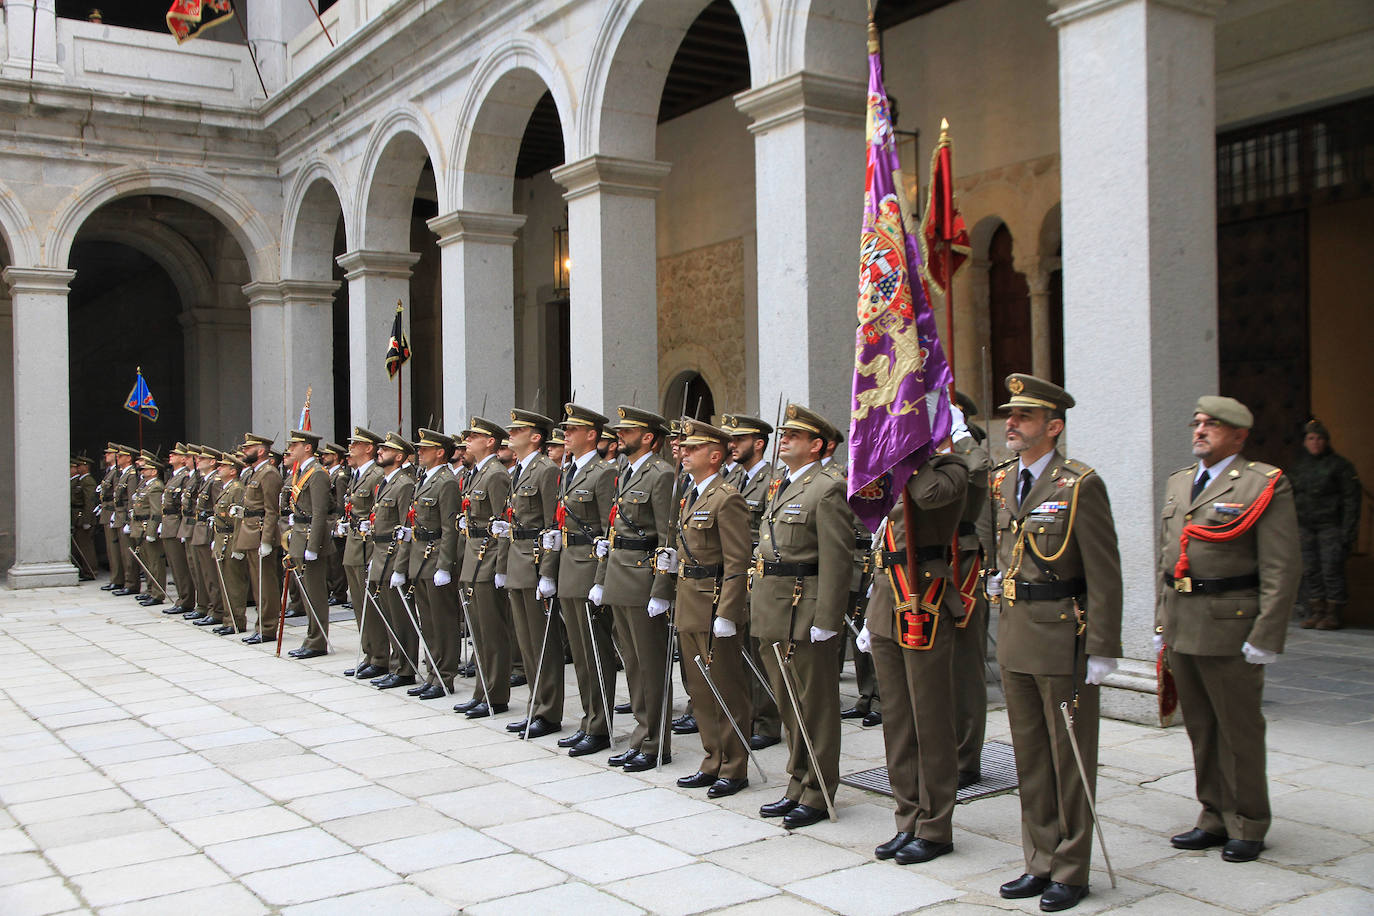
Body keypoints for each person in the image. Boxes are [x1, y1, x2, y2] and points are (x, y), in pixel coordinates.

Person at [987, 374, 1122, 912]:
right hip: (1017, 634)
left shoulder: (1079, 484)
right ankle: (1039, 858)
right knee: (1030, 755)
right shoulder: (1001, 482)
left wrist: (1105, 648)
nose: (1011, 424)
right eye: (1010, 416)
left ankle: (1071, 867)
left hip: (1063, 635)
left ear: (1054, 426)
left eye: (1023, 417)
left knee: (1068, 757)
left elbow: (1104, 573)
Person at [1156, 395, 1300, 865]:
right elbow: (1166, 559)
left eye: (1212, 425)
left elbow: (1282, 566)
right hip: (1184, 621)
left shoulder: (1263, 484)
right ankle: (1214, 815)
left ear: (1239, 435)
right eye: (1197, 423)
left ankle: (1249, 822)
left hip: (1230, 624)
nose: (1200, 431)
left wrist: (1266, 634)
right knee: (1201, 727)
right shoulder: (1180, 482)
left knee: (1238, 728)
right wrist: (1162, 620)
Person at [752, 404, 852, 829]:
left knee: (815, 705)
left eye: (795, 434)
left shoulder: (828, 487)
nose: (785, 438)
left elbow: (837, 558)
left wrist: (828, 618)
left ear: (817, 445)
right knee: (790, 704)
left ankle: (818, 789)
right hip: (774, 607)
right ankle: (797, 781)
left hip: (804, 606)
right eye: (784, 432)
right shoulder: (783, 485)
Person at [671, 419, 754, 798]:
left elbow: (738, 563)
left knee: (726, 688)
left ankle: (734, 767)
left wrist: (728, 613)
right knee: (701, 690)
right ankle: (712, 759)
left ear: (715, 455)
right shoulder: (691, 494)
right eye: (684, 448)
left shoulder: (726, 497)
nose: (684, 453)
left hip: (713, 604)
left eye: (693, 448)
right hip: (689, 601)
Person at [595, 406, 676, 771]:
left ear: (648, 437)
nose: (619, 435)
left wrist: (661, 589)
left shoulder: (661, 474)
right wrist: (601, 578)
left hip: (643, 578)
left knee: (651, 664)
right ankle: (641, 735)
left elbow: (666, 536)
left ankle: (656, 742)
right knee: (632, 663)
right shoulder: (625, 472)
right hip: (620, 575)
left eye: (627, 430)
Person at [550, 403, 617, 757]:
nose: (566, 435)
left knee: (596, 651)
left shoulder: (603, 473)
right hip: (568, 564)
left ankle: (602, 724)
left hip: (589, 565)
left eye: (572, 429)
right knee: (578, 650)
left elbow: (611, 528)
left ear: (591, 434)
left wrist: (602, 578)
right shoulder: (569, 470)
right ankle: (589, 718)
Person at [498, 409, 565, 739]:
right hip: (517, 560)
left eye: (517, 429)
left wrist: (548, 572)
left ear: (535, 436)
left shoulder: (546, 470)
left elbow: (553, 524)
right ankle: (535, 705)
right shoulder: (520, 469)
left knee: (543, 643)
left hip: (536, 561)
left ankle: (549, 711)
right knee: (525, 642)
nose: (510, 433)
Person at [722, 414, 781, 751]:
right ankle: (747, 715)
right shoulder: (733, 479)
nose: (732, 446)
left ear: (758, 444)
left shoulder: (773, 481)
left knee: (759, 652)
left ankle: (768, 721)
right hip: (734, 575)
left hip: (756, 574)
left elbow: (770, 530)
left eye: (739, 440)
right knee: (739, 649)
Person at [452, 416, 514, 717]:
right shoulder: (478, 473)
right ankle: (482, 691)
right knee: (478, 631)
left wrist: (501, 567)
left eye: (474, 436)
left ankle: (495, 694)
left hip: (487, 559)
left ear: (490, 441)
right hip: (472, 557)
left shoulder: (496, 475)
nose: (467, 440)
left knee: (492, 632)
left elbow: (503, 524)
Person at [397, 428, 462, 699]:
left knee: (443, 620)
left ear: (440, 452)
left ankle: (444, 675)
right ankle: (432, 671)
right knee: (428, 620)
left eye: (425, 449)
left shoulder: (446, 481)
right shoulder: (424, 479)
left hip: (435, 557)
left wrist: (445, 565)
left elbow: (450, 528)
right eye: (419, 448)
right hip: (420, 557)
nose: (419, 452)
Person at [1290, 418, 1360, 630]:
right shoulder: (1298, 466)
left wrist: (1348, 531)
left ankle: (1333, 613)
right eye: (1311, 438)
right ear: (1304, 442)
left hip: (1331, 525)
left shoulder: (1340, 466)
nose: (1316, 442)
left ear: (1327, 441)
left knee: (1331, 568)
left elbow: (1351, 500)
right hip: (1305, 526)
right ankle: (1316, 610)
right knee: (1310, 569)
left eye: (1320, 438)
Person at [366, 432, 420, 684]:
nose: (379, 452)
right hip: (379, 554)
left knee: (400, 615)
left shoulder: (405, 484)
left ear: (399, 456)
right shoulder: (386, 482)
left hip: (393, 555)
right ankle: (395, 663)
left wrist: (400, 566)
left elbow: (405, 528)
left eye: (385, 450)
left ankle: (405, 668)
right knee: (387, 613)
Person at [284, 429, 333, 659]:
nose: (290, 449)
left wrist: (313, 546)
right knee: (306, 593)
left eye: (294, 445)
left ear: (307, 447)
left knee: (315, 593)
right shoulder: (302, 472)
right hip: (300, 535)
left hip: (311, 539)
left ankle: (317, 640)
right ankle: (311, 636)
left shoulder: (317, 473)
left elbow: (321, 512)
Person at [238, 433, 283, 643]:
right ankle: (260, 625)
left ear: (261, 450)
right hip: (249, 532)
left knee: (266, 585)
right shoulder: (253, 473)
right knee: (257, 584)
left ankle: (267, 627)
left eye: (249, 448)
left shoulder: (269, 474)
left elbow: (271, 510)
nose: (245, 451)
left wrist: (266, 539)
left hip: (260, 532)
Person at [129, 450, 167, 606]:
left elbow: (156, 511)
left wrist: (152, 530)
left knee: (154, 562)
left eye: (145, 469)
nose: (142, 471)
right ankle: (150, 590)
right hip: (139, 526)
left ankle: (157, 593)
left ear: (154, 471)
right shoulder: (145, 484)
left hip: (147, 526)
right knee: (146, 560)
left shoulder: (156, 486)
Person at [70, 455, 98, 580]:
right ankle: (85, 570)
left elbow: (89, 502)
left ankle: (90, 571)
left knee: (86, 546)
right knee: (80, 545)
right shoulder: (81, 481)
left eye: (79, 465)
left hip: (84, 518)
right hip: (78, 517)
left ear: (85, 467)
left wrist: (87, 520)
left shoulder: (88, 481)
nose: (77, 468)